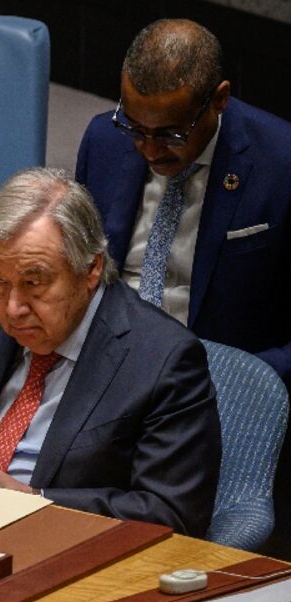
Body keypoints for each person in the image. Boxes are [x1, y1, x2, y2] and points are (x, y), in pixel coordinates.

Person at [0, 168, 220, 536]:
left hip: (63, 550)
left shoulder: (162, 360)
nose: (12, 308)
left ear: (91, 268)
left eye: (34, 283)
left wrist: (32, 500)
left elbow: (172, 513)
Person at [76, 19, 291, 379]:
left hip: (219, 377)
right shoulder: (104, 139)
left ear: (219, 100)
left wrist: (250, 381)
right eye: (135, 128)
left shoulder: (281, 163)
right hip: (107, 362)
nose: (149, 150)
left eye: (171, 134)